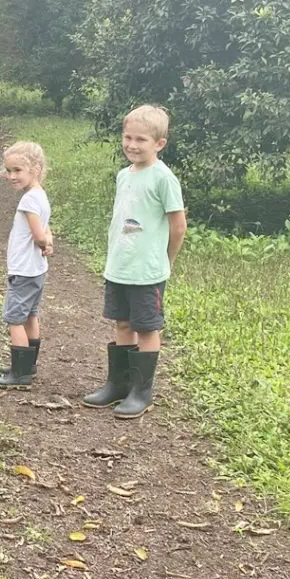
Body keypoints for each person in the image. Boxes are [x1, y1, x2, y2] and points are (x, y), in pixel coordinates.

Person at [81, 104, 187, 417]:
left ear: (159, 144)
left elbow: (178, 225)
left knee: (147, 327)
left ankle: (142, 391)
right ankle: (118, 384)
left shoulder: (163, 178)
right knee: (122, 322)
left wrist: (166, 259)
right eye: (127, 137)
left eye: (141, 139)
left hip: (148, 271)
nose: (132, 144)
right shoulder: (123, 176)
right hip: (119, 266)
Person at [0, 141, 53, 388]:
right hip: (37, 271)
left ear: (36, 168)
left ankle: (20, 374)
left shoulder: (28, 201)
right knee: (30, 315)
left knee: (14, 319)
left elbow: (38, 234)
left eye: (17, 170)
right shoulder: (40, 196)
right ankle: (29, 365)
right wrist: (48, 243)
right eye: (8, 171)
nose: (11, 176)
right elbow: (46, 229)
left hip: (23, 270)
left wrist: (43, 243)